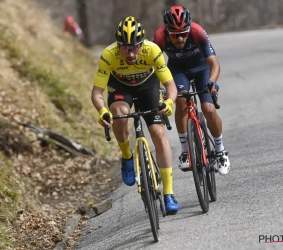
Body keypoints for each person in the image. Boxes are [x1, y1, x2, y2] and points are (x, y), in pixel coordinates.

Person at [91, 16, 180, 214]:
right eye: (124, 47)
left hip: (148, 86)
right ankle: (127, 156)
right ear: (118, 45)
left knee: (158, 133)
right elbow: (97, 93)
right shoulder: (109, 54)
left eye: (134, 47)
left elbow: (170, 85)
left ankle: (168, 193)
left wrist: (169, 102)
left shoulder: (152, 50)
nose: (130, 53)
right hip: (122, 87)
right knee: (119, 113)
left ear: (141, 44)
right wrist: (102, 111)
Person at [153, 5, 230, 175]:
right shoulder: (159, 37)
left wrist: (212, 81)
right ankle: (185, 150)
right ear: (167, 31)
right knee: (180, 101)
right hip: (178, 71)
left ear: (189, 29)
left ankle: (220, 150)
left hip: (202, 69)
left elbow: (214, 63)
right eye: (174, 35)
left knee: (208, 109)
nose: (180, 39)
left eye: (183, 34)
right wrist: (161, 90)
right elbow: (155, 68)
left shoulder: (197, 31)